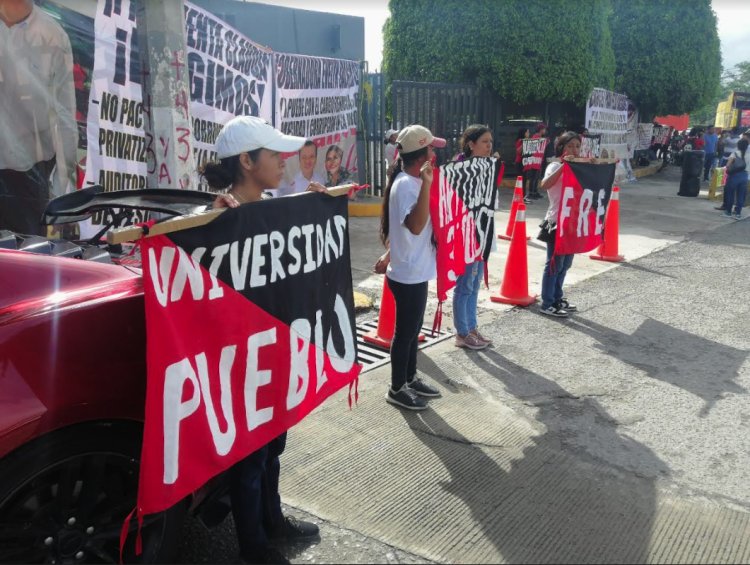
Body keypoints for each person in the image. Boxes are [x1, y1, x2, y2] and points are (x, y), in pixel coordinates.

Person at [201, 116, 325, 565]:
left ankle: (273, 521)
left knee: (275, 443)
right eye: (274, 155)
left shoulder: (278, 206)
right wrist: (211, 223)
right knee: (249, 458)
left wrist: (315, 213)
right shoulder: (215, 215)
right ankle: (251, 544)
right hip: (239, 363)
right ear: (248, 161)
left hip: (275, 352)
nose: (283, 161)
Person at [377, 124, 445, 411]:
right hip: (408, 275)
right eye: (431, 148)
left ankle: (410, 378)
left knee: (413, 330)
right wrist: (427, 184)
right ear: (422, 155)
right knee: (404, 334)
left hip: (415, 269)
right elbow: (416, 227)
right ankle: (397, 387)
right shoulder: (407, 184)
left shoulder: (411, 181)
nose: (434, 152)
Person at [0, 0, 77, 235]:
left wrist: (64, 193)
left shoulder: (53, 37)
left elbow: (64, 116)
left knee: (24, 264)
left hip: (28, 178)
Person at [452, 124, 495, 350]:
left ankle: (471, 327)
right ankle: (462, 332)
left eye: (490, 142)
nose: (489, 146)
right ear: (471, 144)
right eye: (485, 142)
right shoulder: (459, 168)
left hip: (482, 231)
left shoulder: (488, 166)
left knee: (475, 282)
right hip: (465, 234)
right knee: (465, 283)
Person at [538, 131, 588, 317]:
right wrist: (564, 166)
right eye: (569, 146)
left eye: (577, 146)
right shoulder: (554, 166)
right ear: (561, 148)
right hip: (556, 221)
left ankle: (557, 298)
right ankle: (547, 302)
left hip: (573, 222)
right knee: (554, 264)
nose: (574, 150)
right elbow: (545, 185)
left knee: (566, 264)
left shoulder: (580, 167)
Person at [720, 137, 748, 220]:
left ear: (738, 146)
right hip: (744, 176)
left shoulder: (734, 153)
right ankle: (738, 213)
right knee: (741, 195)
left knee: (730, 194)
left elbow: (728, 166)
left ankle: (728, 212)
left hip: (734, 176)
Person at [515, 127, 532, 203]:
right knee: (521, 180)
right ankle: (520, 197)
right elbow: (518, 151)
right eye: (527, 132)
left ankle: (523, 196)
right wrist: (524, 143)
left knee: (525, 180)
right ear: (523, 133)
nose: (529, 134)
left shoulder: (527, 141)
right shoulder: (520, 141)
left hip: (525, 161)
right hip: (520, 162)